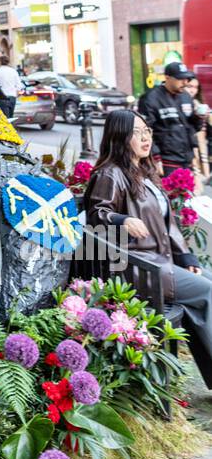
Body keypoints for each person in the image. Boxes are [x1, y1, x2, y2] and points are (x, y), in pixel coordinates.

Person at [83, 109, 212, 373]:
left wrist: (186, 257)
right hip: (140, 269)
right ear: (119, 136)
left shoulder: (143, 171)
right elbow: (97, 214)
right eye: (136, 132)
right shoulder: (110, 174)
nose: (145, 138)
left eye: (147, 131)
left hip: (161, 262)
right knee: (207, 292)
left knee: (207, 281)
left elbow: (169, 222)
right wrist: (122, 220)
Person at [137, 61, 202, 181]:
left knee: (187, 198)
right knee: (168, 197)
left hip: (186, 160)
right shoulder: (151, 98)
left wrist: (199, 118)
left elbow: (194, 127)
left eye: (187, 79)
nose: (185, 82)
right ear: (167, 77)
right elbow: (145, 131)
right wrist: (156, 158)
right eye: (180, 79)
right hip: (166, 161)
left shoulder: (186, 96)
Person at [186, 76, 210, 181]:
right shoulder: (182, 102)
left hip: (200, 141)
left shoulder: (198, 103)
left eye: (196, 87)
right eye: (190, 86)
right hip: (187, 144)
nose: (192, 90)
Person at [0, 53, 24, 121]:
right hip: (12, 98)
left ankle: (6, 131)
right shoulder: (14, 71)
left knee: (5, 119)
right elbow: (19, 86)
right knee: (11, 118)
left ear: (0, 62)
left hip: (3, 98)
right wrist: (16, 94)